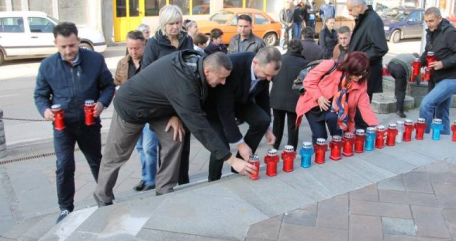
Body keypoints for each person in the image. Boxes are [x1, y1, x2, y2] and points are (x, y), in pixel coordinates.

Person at [94, 51, 255, 206]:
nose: (223, 83)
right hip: (131, 107)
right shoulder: (184, 84)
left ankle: (164, 188)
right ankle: (103, 195)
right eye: (221, 78)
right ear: (207, 70)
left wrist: (176, 114)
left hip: (161, 107)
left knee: (174, 137)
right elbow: (201, 128)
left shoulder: (198, 60)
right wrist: (232, 160)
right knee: (117, 155)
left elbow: (173, 91)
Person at [34, 22, 115, 223]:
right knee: (64, 166)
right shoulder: (47, 66)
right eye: (63, 46)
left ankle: (106, 199)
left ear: (78, 40)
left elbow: (108, 86)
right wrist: (44, 110)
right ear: (56, 44)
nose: (68, 51)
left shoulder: (95, 60)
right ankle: (65, 208)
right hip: (63, 126)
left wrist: (101, 103)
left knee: (97, 162)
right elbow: (40, 95)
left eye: (72, 45)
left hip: (89, 123)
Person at [206, 47, 282, 181]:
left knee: (262, 121)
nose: (269, 79)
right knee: (221, 143)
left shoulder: (265, 73)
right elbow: (226, 111)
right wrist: (240, 144)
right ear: (256, 63)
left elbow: (263, 98)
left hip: (242, 100)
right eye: (266, 74)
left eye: (272, 76)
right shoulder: (234, 66)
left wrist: (267, 128)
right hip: (216, 105)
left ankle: (241, 166)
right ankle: (213, 179)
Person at [142, 5, 194, 186]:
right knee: (168, 146)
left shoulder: (186, 39)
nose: (175, 27)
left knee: (184, 145)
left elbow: (191, 65)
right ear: (163, 24)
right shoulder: (154, 43)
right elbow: (146, 74)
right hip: (163, 101)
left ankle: (183, 184)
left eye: (178, 23)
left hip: (183, 99)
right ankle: (165, 186)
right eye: (171, 23)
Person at [296, 51, 379, 144]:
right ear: (350, 68)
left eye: (363, 73)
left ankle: (337, 146)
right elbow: (308, 81)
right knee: (320, 136)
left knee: (337, 132)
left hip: (333, 109)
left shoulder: (361, 83)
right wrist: (318, 97)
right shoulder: (330, 65)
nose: (360, 77)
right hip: (313, 106)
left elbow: (365, 107)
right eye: (357, 73)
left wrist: (374, 125)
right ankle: (318, 154)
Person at [115, 31, 159, 192]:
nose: (133, 51)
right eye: (130, 48)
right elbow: (117, 82)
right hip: (132, 113)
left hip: (149, 112)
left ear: (144, 46)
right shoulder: (123, 63)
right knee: (140, 148)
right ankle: (146, 177)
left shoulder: (151, 62)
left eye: (137, 48)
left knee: (149, 148)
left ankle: (151, 179)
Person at [419, 7, 456, 135]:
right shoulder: (430, 32)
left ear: (439, 18)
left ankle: (422, 137)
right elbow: (428, 52)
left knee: (426, 104)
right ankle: (444, 140)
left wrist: (443, 63)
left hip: (452, 78)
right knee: (442, 113)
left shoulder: (450, 33)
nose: (428, 24)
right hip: (437, 77)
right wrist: (418, 63)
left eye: (431, 21)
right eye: (426, 21)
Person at [346, 0, 389, 101]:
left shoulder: (373, 20)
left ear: (359, 7)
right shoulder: (364, 18)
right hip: (361, 71)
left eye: (351, 10)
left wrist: (359, 60)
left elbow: (381, 48)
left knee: (361, 106)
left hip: (367, 72)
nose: (349, 13)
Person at [270, 39, 308, 150]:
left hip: (277, 97)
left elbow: (271, 76)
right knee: (293, 125)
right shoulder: (304, 63)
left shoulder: (279, 60)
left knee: (278, 123)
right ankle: (291, 148)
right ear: (301, 50)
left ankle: (275, 145)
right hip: (295, 98)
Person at [387, 53, 419, 118]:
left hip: (390, 66)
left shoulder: (406, 55)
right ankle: (400, 110)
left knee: (398, 80)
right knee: (401, 90)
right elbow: (417, 72)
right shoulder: (415, 60)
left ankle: (396, 95)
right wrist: (418, 82)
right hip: (400, 68)